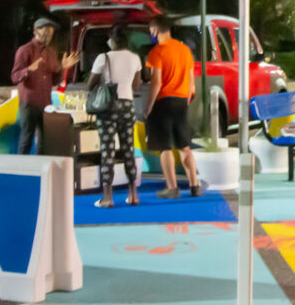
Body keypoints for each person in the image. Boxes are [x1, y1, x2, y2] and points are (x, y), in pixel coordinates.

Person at [143, 16, 201, 199]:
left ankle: (172, 188)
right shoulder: (185, 50)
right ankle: (194, 186)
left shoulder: (157, 52)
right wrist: (186, 100)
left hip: (163, 103)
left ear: (154, 31)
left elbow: (156, 83)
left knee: (165, 148)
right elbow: (192, 84)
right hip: (182, 102)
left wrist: (148, 108)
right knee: (185, 146)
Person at [86, 24, 142, 208]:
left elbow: (90, 84)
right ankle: (133, 195)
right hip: (127, 106)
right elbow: (136, 86)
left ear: (112, 39)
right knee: (128, 150)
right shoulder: (135, 58)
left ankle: (108, 198)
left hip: (108, 108)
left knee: (107, 151)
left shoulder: (103, 58)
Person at [10, 17, 79, 155]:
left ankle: (41, 170)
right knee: (26, 139)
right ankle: (20, 170)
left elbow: (54, 81)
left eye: (51, 32)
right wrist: (28, 70)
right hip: (28, 103)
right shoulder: (24, 50)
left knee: (44, 141)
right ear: (36, 30)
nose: (49, 34)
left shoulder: (51, 52)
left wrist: (63, 68)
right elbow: (14, 76)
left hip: (46, 103)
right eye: (46, 30)